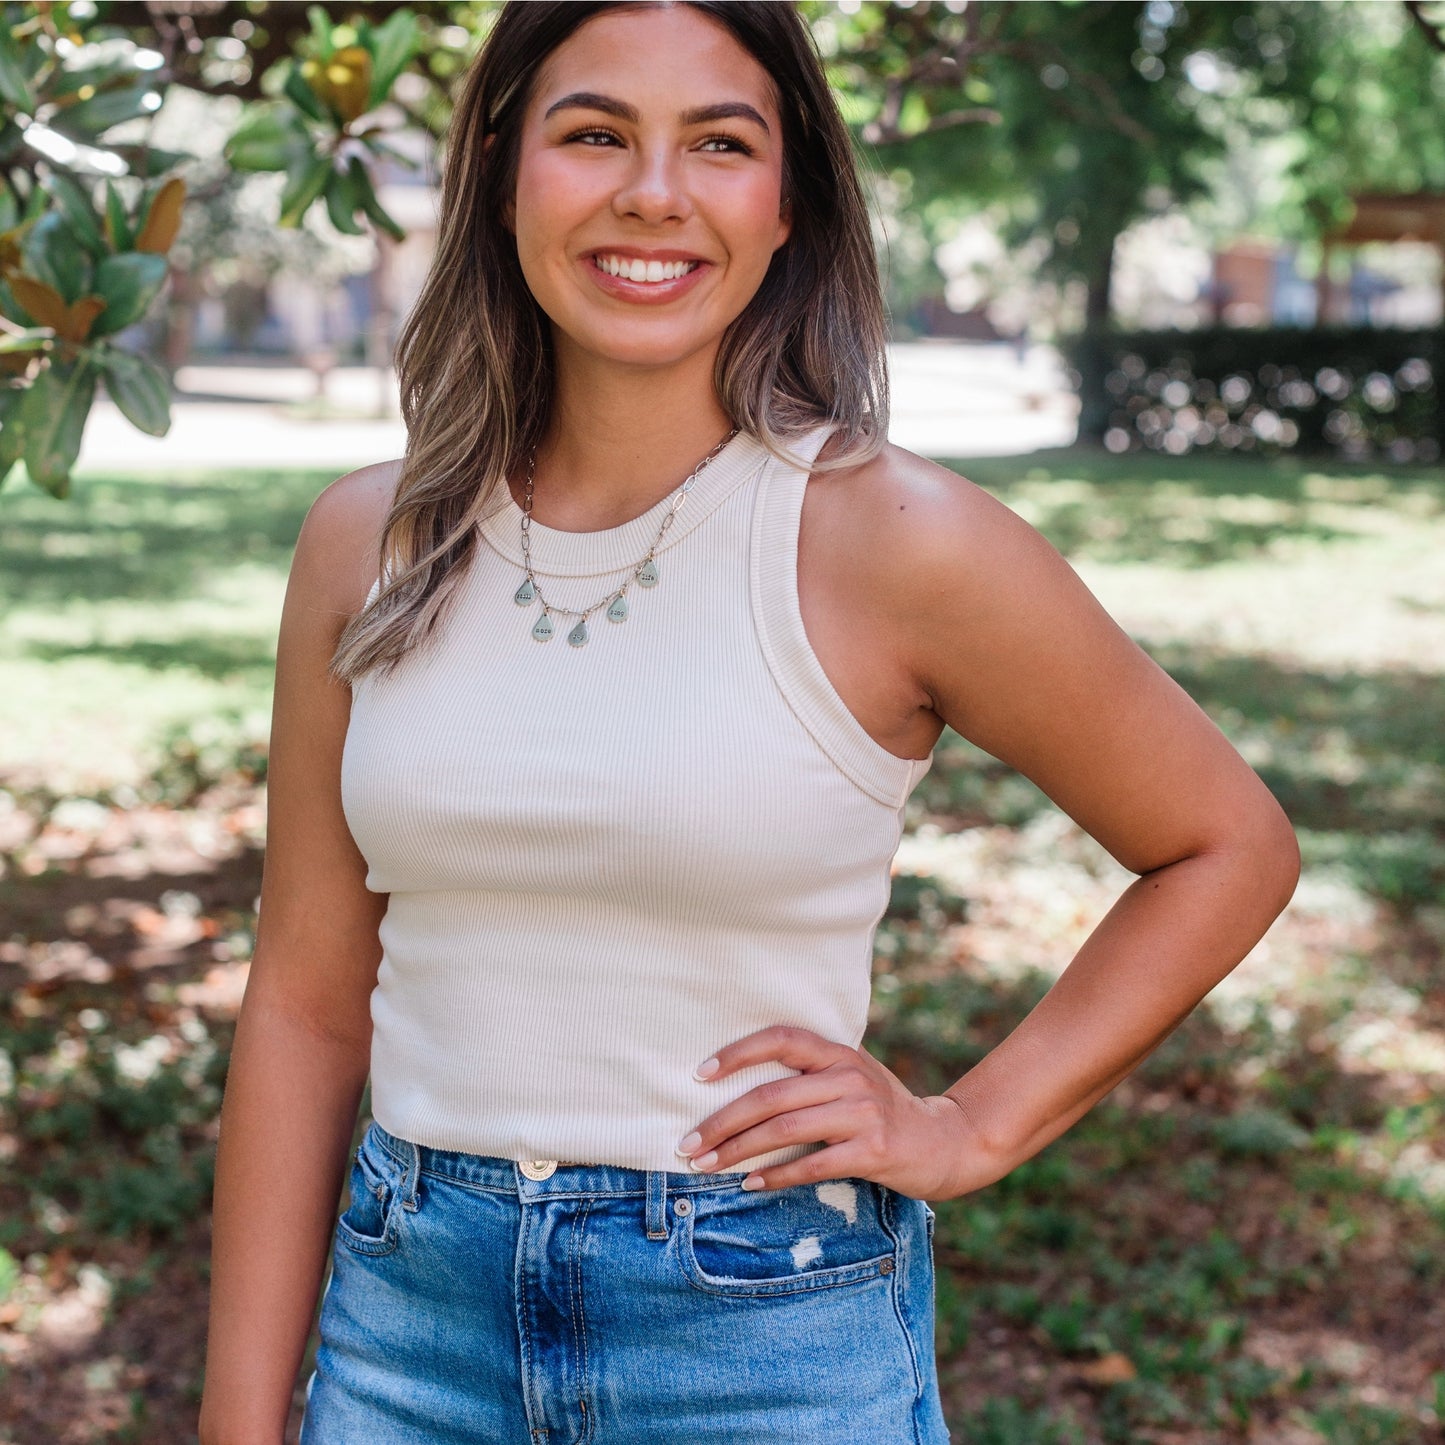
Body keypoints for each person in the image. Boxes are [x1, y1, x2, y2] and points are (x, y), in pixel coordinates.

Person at [198, 3, 1300, 1442]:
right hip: (409, 1324)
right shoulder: (366, 543)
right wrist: (236, 1414)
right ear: (501, 166)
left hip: (759, 1332)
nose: (651, 192)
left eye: (720, 144)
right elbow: (300, 1002)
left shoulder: (897, 540)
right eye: (593, 134)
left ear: (787, 207)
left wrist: (969, 1124)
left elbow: (1226, 843)